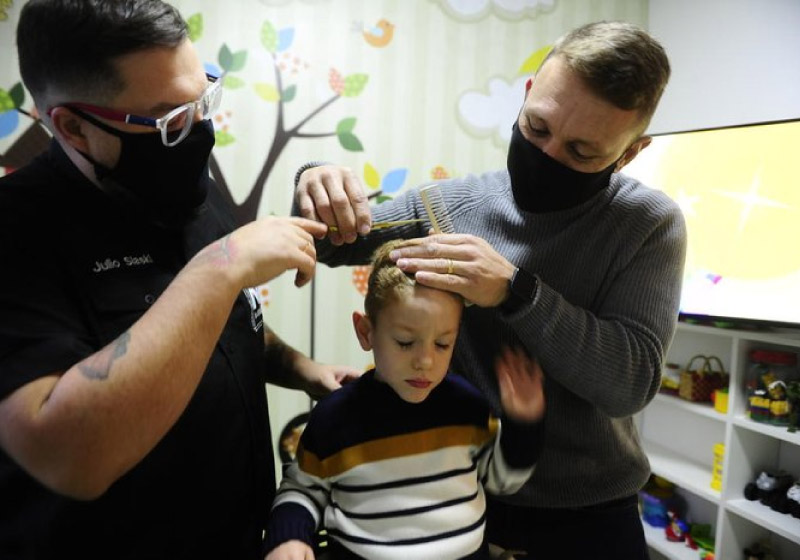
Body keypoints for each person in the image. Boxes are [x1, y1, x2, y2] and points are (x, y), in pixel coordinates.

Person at [293, 21, 687, 559]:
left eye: (581, 152)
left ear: (631, 152)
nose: (547, 155)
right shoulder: (446, 209)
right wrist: (316, 179)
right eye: (538, 127)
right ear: (527, 95)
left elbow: (630, 383)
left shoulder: (648, 224)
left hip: (590, 517)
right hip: (460, 500)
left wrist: (516, 291)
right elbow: (328, 242)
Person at [0, 1, 360, 558]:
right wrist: (220, 268)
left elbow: (226, 325)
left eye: (203, 99)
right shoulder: (18, 230)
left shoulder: (182, 177)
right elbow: (66, 456)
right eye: (170, 119)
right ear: (72, 126)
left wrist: (304, 371)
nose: (198, 132)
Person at [263, 240, 546, 560]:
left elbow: (503, 479)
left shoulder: (466, 405)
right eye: (405, 342)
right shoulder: (336, 417)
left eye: (442, 344)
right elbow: (302, 491)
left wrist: (524, 423)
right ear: (366, 331)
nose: (425, 361)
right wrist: (287, 536)